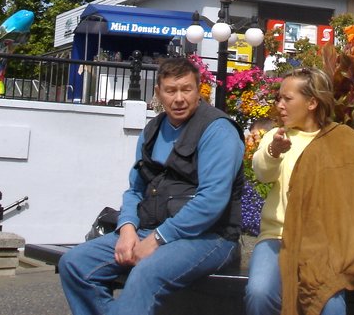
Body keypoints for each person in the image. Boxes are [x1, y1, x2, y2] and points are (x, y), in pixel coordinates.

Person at [59, 56, 244, 315]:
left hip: (210, 237)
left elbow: (212, 200)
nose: (179, 98)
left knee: (145, 273)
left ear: (198, 89)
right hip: (150, 229)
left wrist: (158, 239)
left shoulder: (217, 130)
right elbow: (135, 190)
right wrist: (126, 229)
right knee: (74, 264)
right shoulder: (152, 130)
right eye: (171, 90)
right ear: (159, 92)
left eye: (186, 89)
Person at [245, 67, 354, 315]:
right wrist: (274, 151)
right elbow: (262, 172)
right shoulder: (276, 135)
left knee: (331, 307)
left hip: (324, 244)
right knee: (259, 293)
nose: (279, 105)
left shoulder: (344, 140)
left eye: (287, 99)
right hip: (276, 236)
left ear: (312, 102)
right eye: (278, 98)